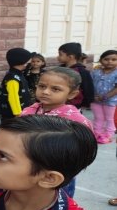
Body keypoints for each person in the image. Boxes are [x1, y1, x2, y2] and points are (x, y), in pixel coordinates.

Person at [21, 67, 93, 197]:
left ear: (72, 94)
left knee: (56, 202)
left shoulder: (76, 120)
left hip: (58, 173)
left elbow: (84, 150)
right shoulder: (28, 111)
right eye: (42, 86)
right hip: (28, 168)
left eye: (55, 89)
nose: (45, 92)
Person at [0, 47, 32, 120]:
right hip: (11, 114)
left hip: (19, 111)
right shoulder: (13, 78)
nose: (29, 64)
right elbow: (13, 96)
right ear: (22, 62)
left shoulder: (18, 74)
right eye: (28, 63)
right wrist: (18, 113)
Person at [90, 49, 117, 144]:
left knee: (109, 119)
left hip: (110, 101)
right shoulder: (95, 72)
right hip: (95, 100)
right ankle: (96, 133)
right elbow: (90, 84)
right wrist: (92, 96)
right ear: (101, 60)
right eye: (106, 59)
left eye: (114, 59)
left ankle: (108, 135)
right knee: (98, 118)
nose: (110, 62)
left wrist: (105, 96)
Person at [57, 42, 94, 109]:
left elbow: (87, 88)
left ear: (70, 57)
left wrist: (86, 103)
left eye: (60, 54)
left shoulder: (82, 71)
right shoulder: (59, 70)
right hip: (58, 101)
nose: (58, 57)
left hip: (74, 104)